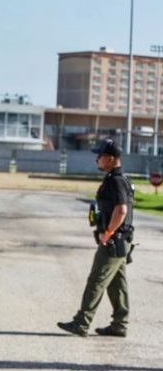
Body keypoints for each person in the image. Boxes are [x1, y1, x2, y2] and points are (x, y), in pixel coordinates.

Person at [58, 139, 134, 338]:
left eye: (100, 156)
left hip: (114, 240)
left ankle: (81, 323)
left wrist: (108, 233)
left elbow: (121, 210)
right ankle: (120, 325)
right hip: (121, 240)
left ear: (110, 159)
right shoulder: (118, 178)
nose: (97, 159)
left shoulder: (116, 181)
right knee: (117, 284)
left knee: (96, 281)